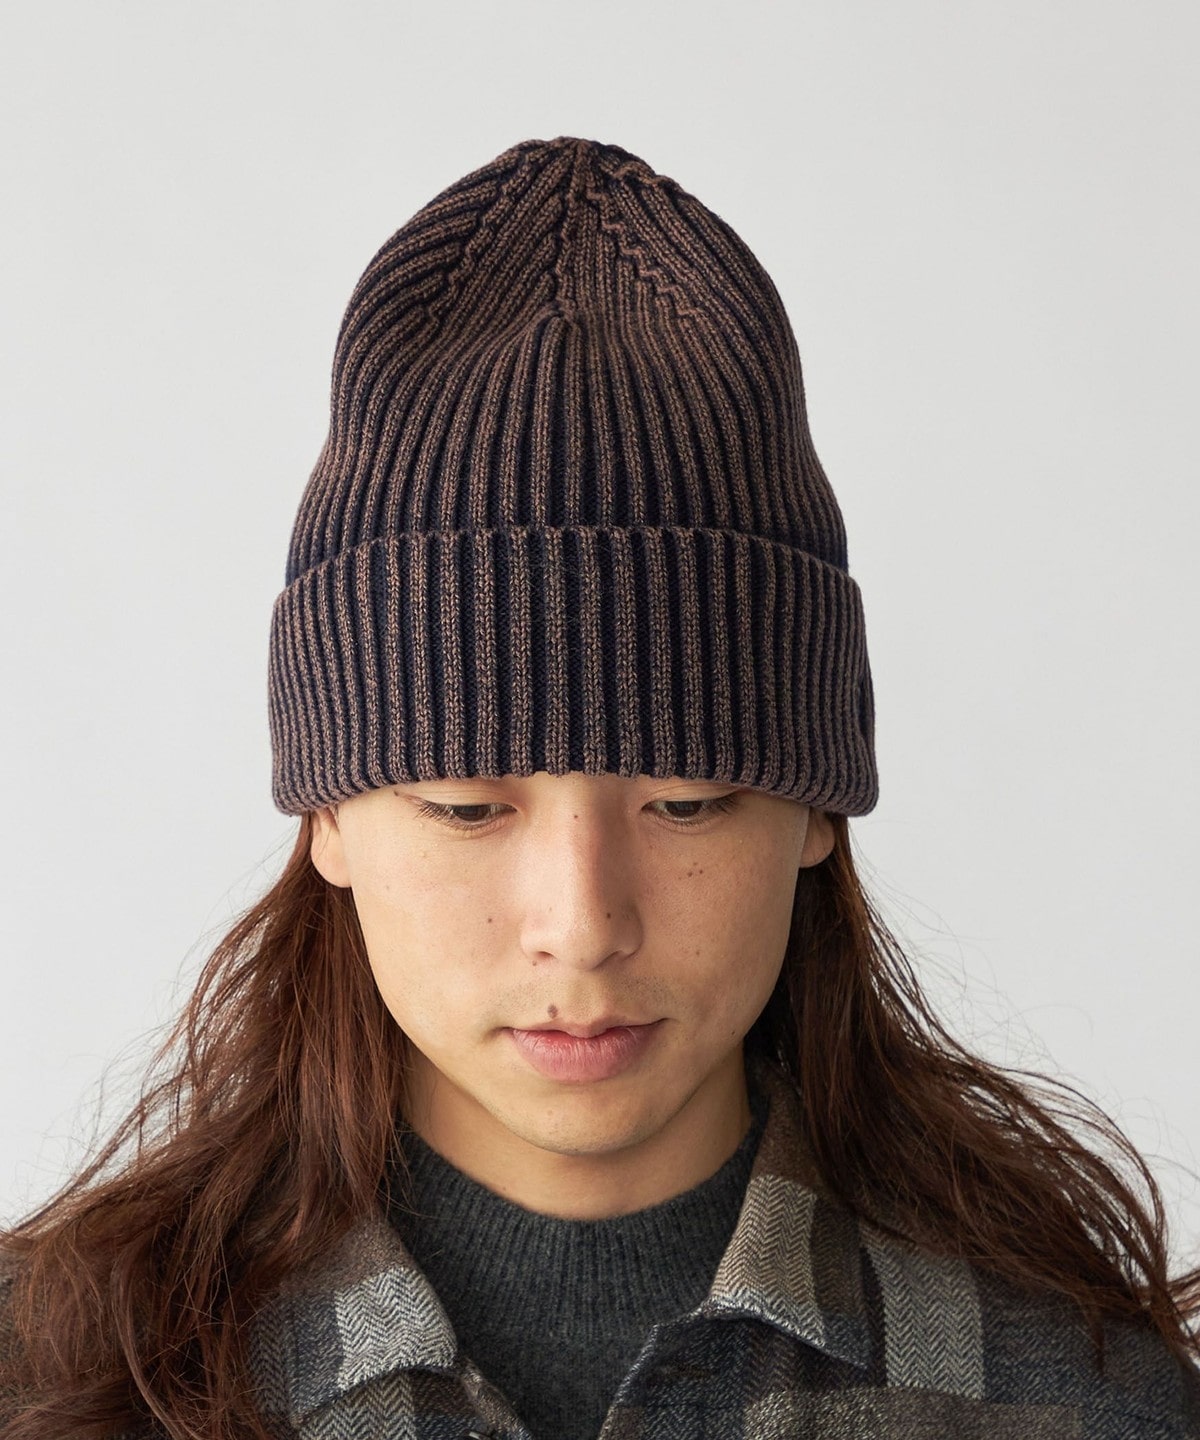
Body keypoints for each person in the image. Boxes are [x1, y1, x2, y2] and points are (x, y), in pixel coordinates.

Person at [1, 135, 1197, 1440]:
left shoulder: (1077, 1402)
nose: (581, 923)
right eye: (468, 806)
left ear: (814, 811)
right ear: (328, 816)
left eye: (687, 801)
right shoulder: (57, 1382)